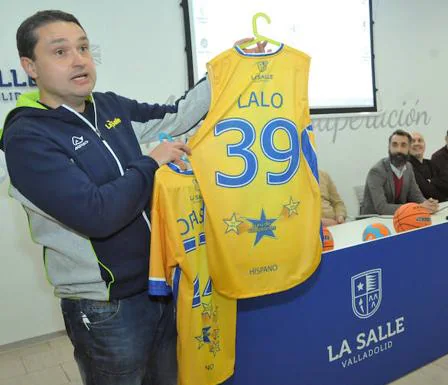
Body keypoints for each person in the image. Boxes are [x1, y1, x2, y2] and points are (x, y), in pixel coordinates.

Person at [0, 10, 263, 385]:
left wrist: (226, 67)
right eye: (60, 52)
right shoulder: (27, 137)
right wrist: (150, 162)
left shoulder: (108, 107)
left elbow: (178, 116)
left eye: (84, 48)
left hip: (158, 284)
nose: (79, 59)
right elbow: (96, 214)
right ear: (31, 66)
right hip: (105, 305)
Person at [360, 129, 438, 215]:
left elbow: (416, 196)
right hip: (372, 221)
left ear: (409, 149)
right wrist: (417, 207)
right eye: (394, 145)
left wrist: (428, 204)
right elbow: (382, 208)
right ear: (389, 147)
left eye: (403, 145)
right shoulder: (377, 171)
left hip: (398, 218)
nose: (399, 150)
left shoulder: (408, 167)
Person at [408, 131, 443, 200]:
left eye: (420, 140)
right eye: (413, 141)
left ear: (424, 145)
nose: (416, 143)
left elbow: (446, 183)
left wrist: (431, 181)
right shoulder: (407, 165)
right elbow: (426, 190)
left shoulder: (431, 163)